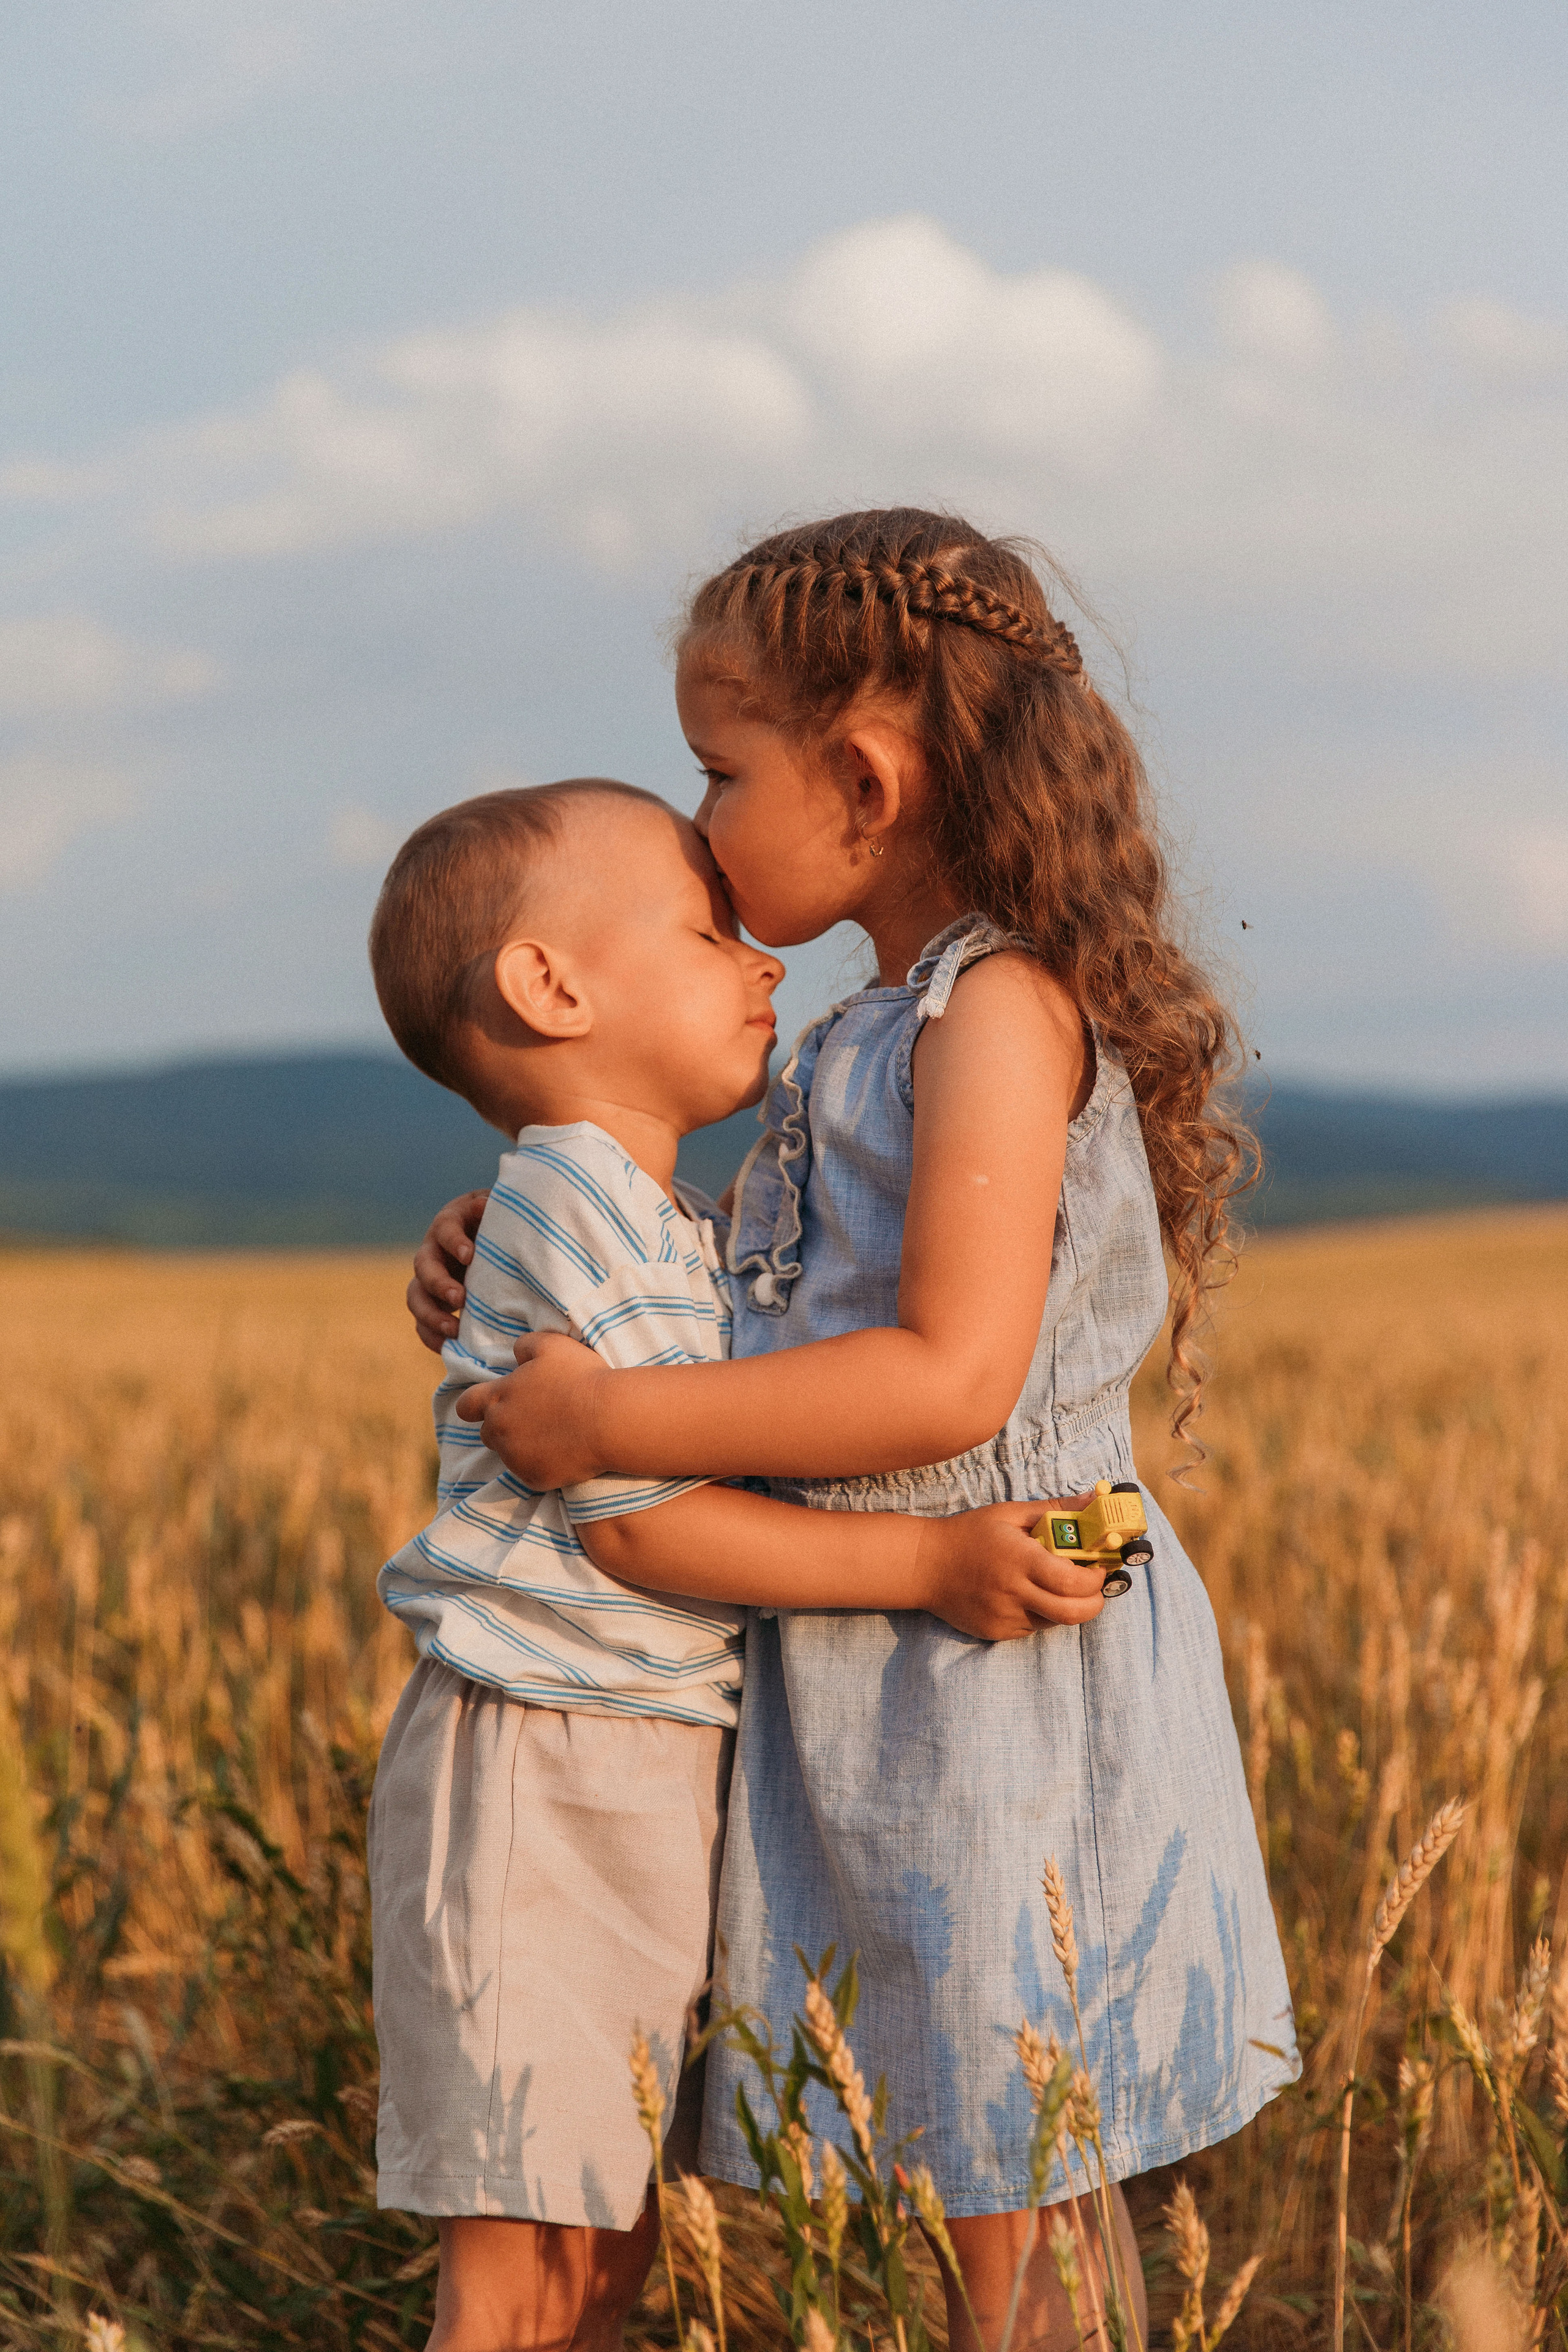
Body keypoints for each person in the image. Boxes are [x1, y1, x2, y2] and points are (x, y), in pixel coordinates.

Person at [410, 511, 1302, 2352]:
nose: (703, 822)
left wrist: (609, 1419)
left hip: (991, 1633)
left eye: (717, 770)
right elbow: (774, 1311)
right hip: (908, 1629)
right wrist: (534, 1237)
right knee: (970, 2142)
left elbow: (945, 1378)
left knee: (1015, 2168)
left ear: (869, 778)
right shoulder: (871, 1027)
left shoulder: (994, 1011)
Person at [367, 774, 1109, 2352]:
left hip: (626, 1762)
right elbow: (636, 1519)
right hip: (542, 1775)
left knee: (596, 2249)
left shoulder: (647, 1213)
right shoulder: (572, 1205)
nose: (764, 962)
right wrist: (925, 1566)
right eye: (709, 933)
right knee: (526, 2265)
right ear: (551, 987)